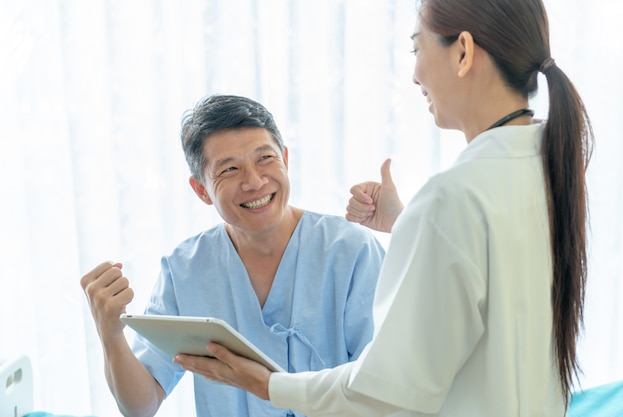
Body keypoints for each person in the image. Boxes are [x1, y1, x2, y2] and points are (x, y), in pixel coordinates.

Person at [172, 0, 594, 416]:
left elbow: (389, 390)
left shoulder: (451, 198)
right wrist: (409, 223)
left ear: (463, 52)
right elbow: (496, 277)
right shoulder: (544, 168)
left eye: (417, 48)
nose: (415, 74)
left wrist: (267, 384)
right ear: (201, 188)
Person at [80, 94, 385, 417]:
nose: (254, 181)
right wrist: (110, 334)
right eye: (230, 169)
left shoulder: (351, 252)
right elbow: (140, 407)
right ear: (201, 190)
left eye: (265, 158)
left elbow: (385, 389)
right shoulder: (186, 270)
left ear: (284, 158)